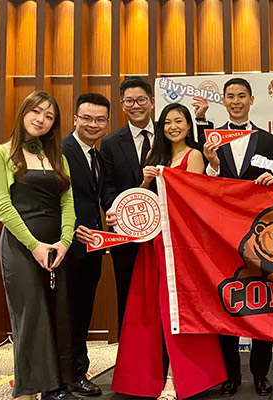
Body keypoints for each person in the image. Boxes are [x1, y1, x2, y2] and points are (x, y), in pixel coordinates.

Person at [111, 102, 226, 400]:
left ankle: (180, 379)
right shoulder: (155, 156)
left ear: (189, 126)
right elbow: (142, 200)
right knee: (148, 312)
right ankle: (144, 379)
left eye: (180, 121)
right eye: (168, 122)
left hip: (181, 245)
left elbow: (196, 198)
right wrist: (147, 179)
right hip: (154, 243)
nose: (174, 126)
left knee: (181, 311)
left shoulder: (195, 155)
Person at [0, 91, 77, 400]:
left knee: (57, 313)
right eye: (36, 112)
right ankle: (28, 389)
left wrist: (64, 242)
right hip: (22, 247)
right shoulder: (0, 153)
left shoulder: (58, 156)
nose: (41, 119)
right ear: (23, 113)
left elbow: (68, 204)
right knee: (31, 315)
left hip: (57, 248)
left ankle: (55, 387)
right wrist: (35, 245)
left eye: (49, 116)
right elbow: (2, 207)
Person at [201, 77, 273, 397]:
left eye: (241, 96)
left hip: (260, 239)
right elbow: (202, 189)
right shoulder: (210, 139)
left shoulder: (269, 140)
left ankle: (260, 374)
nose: (236, 101)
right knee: (226, 306)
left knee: (263, 306)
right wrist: (213, 166)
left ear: (251, 100)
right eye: (230, 96)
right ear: (224, 100)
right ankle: (230, 376)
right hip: (221, 237)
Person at [62, 93, 111, 397]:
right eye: (87, 118)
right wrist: (67, 229)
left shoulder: (97, 153)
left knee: (82, 312)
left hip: (92, 245)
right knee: (63, 314)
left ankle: (77, 371)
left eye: (100, 119)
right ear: (75, 119)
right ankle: (65, 377)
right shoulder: (61, 151)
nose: (94, 124)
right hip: (66, 245)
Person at [100, 77, 156, 334]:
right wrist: (117, 212)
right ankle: (130, 360)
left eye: (141, 100)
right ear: (123, 106)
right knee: (129, 294)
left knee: (164, 294)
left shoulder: (169, 136)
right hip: (126, 234)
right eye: (130, 101)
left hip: (164, 232)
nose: (136, 105)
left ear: (152, 102)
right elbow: (107, 186)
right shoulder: (111, 143)